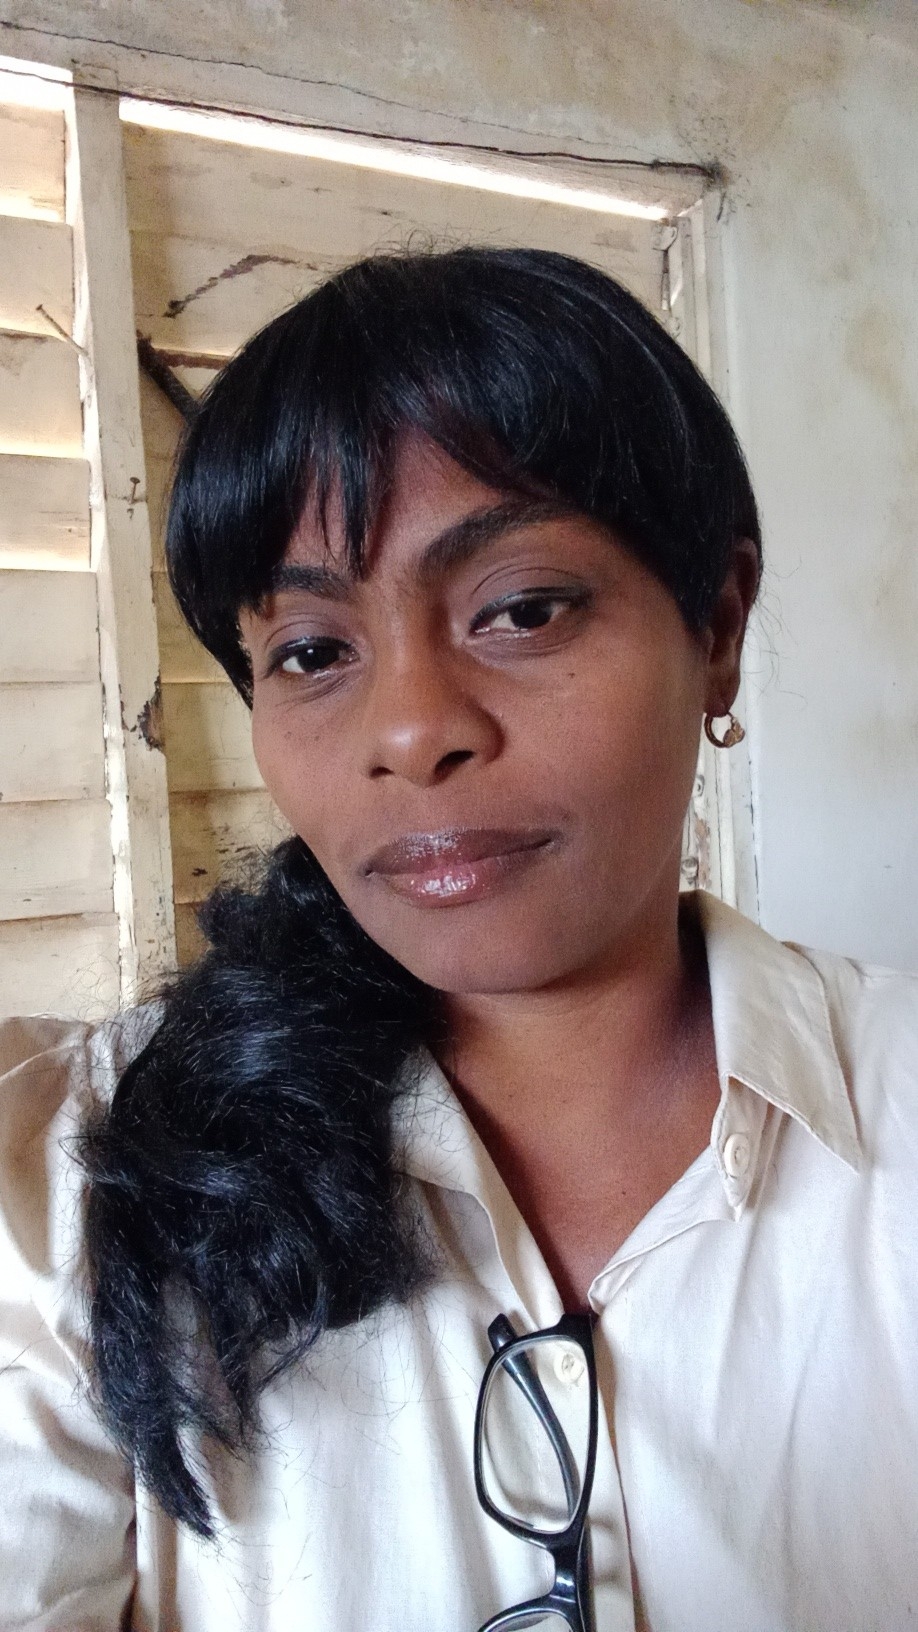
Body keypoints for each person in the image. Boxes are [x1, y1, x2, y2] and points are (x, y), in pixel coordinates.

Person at [1, 246, 916, 1632]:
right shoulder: (75, 1181)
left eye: (522, 610)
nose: (413, 730)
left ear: (717, 628)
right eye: (312, 652)